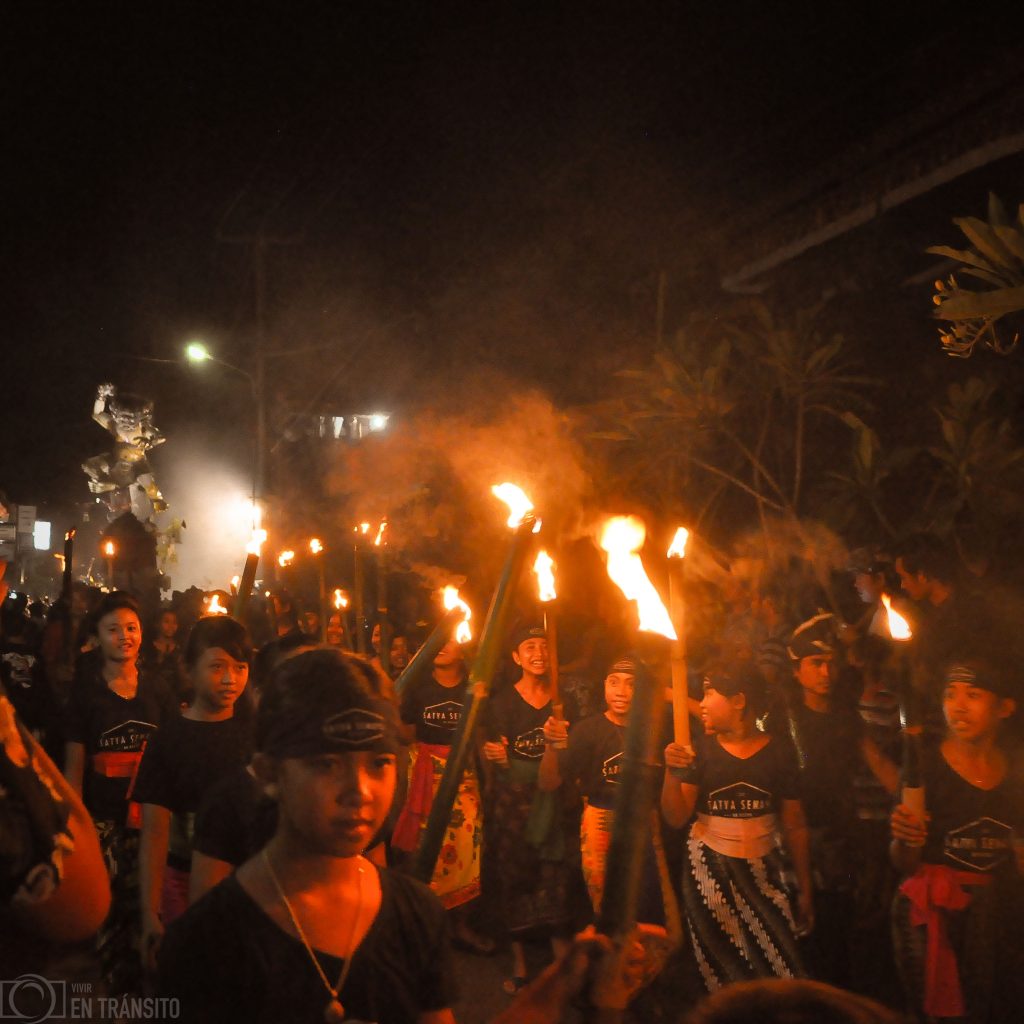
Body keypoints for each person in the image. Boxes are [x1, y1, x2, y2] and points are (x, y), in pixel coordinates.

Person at [159, 647, 458, 1023]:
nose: (360, 791)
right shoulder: (207, 943)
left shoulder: (416, 917)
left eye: (379, 763)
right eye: (326, 764)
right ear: (269, 772)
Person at [662, 660, 812, 992]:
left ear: (739, 701)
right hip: (710, 874)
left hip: (766, 871)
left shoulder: (780, 752)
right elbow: (675, 817)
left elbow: (795, 824)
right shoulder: (699, 752)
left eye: (709, 693)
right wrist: (672, 774)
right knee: (722, 974)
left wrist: (804, 888)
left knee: (780, 970)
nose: (700, 704)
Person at [890, 659, 1024, 1022]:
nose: (958, 706)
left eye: (973, 695)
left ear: (1004, 708)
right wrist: (905, 837)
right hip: (933, 911)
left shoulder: (1015, 771)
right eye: (950, 695)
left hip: (990, 912)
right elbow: (905, 862)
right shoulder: (926, 767)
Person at [63, 590, 176, 994]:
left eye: (131, 628)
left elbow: (172, 755)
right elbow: (75, 766)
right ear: (97, 636)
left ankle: (156, 994)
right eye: (114, 630)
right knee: (111, 917)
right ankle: (118, 995)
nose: (124, 636)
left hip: (153, 823)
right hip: (105, 825)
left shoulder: (159, 690)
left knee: (153, 911)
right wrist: (78, 829)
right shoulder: (85, 694)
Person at [133, 614, 254, 974]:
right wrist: (149, 914)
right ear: (189, 669)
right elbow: (155, 833)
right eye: (217, 667)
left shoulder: (259, 738)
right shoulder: (168, 741)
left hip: (250, 883)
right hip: (181, 885)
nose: (231, 679)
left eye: (241, 667)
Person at [782, 613, 898, 987]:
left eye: (829, 664)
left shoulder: (846, 717)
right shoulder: (783, 720)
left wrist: (917, 799)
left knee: (841, 938)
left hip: (841, 842)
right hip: (794, 841)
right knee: (804, 941)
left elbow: (878, 764)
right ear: (797, 670)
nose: (825, 672)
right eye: (815, 664)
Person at [483, 624, 577, 993]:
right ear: (516, 657)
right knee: (515, 874)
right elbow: (494, 752)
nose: (539, 653)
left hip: (554, 800)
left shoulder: (563, 698)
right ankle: (521, 963)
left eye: (544, 646)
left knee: (555, 876)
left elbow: (577, 747)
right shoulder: (502, 702)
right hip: (513, 800)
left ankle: (560, 964)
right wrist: (495, 757)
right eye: (529, 647)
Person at [540, 655, 667, 920]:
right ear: (604, 685)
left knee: (648, 898)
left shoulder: (655, 731)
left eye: (632, 684)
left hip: (644, 821)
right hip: (600, 819)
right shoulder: (588, 730)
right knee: (607, 904)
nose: (621, 691)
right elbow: (549, 782)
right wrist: (551, 746)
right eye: (614, 682)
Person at [393, 636, 494, 952]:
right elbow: (404, 734)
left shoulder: (474, 688)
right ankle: (424, 926)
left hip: (463, 775)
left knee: (467, 848)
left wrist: (487, 778)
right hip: (425, 774)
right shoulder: (419, 688)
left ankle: (459, 925)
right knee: (425, 848)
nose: (441, 646)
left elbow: (478, 737)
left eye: (451, 641)